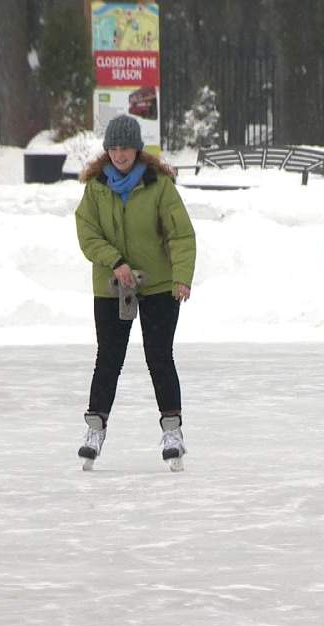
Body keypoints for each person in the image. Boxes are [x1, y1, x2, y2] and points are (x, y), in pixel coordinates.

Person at [75, 115, 196, 472]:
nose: (118, 154)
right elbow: (87, 233)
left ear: (137, 149)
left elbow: (181, 234)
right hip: (113, 287)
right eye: (112, 148)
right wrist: (114, 261)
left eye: (124, 148)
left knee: (160, 357)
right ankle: (95, 429)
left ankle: (172, 431)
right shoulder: (96, 186)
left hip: (157, 285)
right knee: (108, 358)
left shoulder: (158, 184)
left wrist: (182, 276)